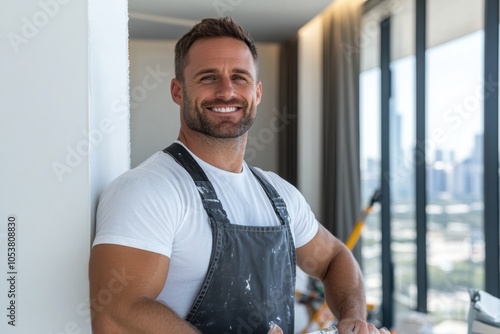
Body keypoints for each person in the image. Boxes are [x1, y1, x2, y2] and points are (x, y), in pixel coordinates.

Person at [89, 16, 389, 334]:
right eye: (208, 78)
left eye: (240, 77)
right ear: (178, 91)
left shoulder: (279, 196)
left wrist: (352, 318)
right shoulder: (148, 189)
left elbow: (334, 259)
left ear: (257, 93)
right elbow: (117, 315)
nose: (227, 91)